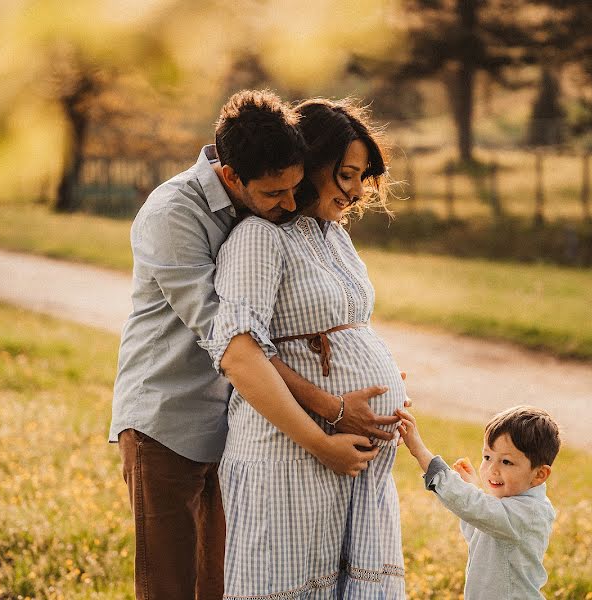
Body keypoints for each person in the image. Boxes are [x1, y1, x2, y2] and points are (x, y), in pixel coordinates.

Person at [109, 90, 395, 600]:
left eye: (295, 188)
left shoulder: (265, 208)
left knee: (220, 586)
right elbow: (237, 346)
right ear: (231, 175)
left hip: (231, 424)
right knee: (170, 587)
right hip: (169, 418)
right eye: (274, 194)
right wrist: (330, 411)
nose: (288, 204)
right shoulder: (174, 215)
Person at [200, 98, 407, 598]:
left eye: (363, 177)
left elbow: (347, 328)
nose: (358, 191)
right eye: (347, 175)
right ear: (311, 165)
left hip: (353, 470)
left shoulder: (335, 238)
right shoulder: (258, 239)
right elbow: (241, 346)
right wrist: (334, 410)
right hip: (288, 458)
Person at [396, 405, 561, 600]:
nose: (492, 469)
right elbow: (478, 528)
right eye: (487, 457)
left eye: (506, 462)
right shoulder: (508, 505)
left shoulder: (530, 513)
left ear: (539, 474)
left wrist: (420, 452)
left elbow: (477, 509)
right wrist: (472, 488)